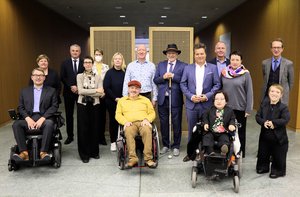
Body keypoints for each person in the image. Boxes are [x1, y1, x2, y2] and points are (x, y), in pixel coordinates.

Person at [12, 68, 58, 161]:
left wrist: (43, 118)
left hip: (45, 118)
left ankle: (43, 152)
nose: (38, 77)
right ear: (32, 77)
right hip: (29, 118)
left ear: (44, 78)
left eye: (41, 75)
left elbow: (54, 106)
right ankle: (24, 153)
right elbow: (20, 107)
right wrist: (28, 119)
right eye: (35, 75)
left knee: (49, 124)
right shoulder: (24, 91)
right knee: (16, 124)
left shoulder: (51, 91)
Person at [180, 43, 221, 142]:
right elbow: (182, 84)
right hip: (192, 104)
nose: (200, 56)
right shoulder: (187, 68)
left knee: (206, 129)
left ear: (205, 54)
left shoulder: (213, 68)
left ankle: (204, 152)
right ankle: (191, 152)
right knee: (192, 130)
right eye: (197, 54)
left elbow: (217, 85)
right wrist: (190, 96)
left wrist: (207, 96)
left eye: (202, 53)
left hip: (206, 104)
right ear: (194, 55)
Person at [153, 43, 187, 156]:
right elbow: (155, 80)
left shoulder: (183, 65)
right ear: (166, 54)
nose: (171, 54)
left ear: (177, 54)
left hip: (176, 98)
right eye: (169, 53)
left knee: (176, 123)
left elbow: (184, 79)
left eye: (173, 53)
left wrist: (173, 76)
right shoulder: (161, 65)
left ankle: (176, 145)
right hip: (163, 98)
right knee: (164, 123)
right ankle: (166, 145)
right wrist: (163, 77)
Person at [183, 91, 236, 161]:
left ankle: (223, 149)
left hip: (223, 132)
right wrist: (206, 123)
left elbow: (232, 119)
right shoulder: (210, 109)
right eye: (216, 99)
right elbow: (205, 117)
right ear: (213, 101)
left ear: (226, 101)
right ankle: (210, 151)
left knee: (225, 139)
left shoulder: (229, 111)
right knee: (207, 137)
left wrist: (231, 125)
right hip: (211, 131)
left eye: (222, 99)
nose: (219, 101)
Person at [116, 80, 157, 168]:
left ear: (139, 90)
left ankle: (148, 159)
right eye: (132, 88)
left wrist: (147, 119)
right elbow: (118, 115)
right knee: (128, 131)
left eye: (136, 88)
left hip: (143, 122)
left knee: (147, 130)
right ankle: (133, 158)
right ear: (128, 89)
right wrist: (125, 122)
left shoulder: (145, 100)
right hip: (130, 123)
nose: (134, 90)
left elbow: (152, 113)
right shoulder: (122, 101)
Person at [221, 50, 253, 158]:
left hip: (240, 108)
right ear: (230, 60)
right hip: (226, 108)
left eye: (237, 60)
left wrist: (248, 109)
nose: (234, 62)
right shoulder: (224, 73)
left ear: (241, 61)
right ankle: (228, 151)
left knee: (240, 131)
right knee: (225, 129)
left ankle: (240, 152)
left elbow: (249, 92)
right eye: (233, 59)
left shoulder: (245, 74)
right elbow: (220, 89)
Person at [256, 84, 290, 178]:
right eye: (272, 91)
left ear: (281, 95)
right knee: (263, 152)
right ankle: (263, 166)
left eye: (277, 92)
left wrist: (273, 123)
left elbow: (285, 119)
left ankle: (277, 170)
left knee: (278, 154)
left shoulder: (283, 107)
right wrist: (263, 122)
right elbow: (258, 116)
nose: (274, 94)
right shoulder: (264, 105)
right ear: (268, 93)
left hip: (278, 137)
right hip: (265, 136)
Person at [76, 56, 105, 163]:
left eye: (89, 62)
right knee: (83, 129)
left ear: (92, 64)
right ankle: (84, 154)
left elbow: (101, 93)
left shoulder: (98, 77)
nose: (87, 64)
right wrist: (96, 90)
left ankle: (94, 152)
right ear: (83, 64)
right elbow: (80, 91)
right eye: (86, 62)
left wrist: (94, 91)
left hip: (95, 104)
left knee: (94, 128)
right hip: (82, 105)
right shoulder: (79, 76)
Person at [60, 44, 84, 145]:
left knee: (82, 114)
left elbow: (86, 76)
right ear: (70, 51)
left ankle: (82, 135)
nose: (75, 52)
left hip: (81, 92)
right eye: (73, 50)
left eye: (77, 51)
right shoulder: (65, 63)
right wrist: (71, 86)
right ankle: (70, 136)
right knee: (69, 115)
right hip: (68, 92)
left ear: (80, 52)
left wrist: (79, 87)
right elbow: (62, 77)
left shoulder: (84, 62)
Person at [103, 52, 126, 152]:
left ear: (122, 61)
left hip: (124, 101)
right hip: (112, 101)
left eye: (119, 59)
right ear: (113, 61)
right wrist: (115, 98)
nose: (117, 60)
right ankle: (113, 142)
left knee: (123, 121)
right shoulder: (109, 73)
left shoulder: (125, 73)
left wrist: (123, 99)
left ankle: (121, 140)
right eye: (116, 59)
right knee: (113, 121)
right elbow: (106, 87)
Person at [261, 38, 294, 105]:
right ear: (271, 49)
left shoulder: (288, 64)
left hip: (281, 98)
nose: (276, 50)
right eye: (274, 47)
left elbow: (291, 82)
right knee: (266, 115)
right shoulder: (265, 63)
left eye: (278, 47)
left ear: (282, 49)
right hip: (267, 96)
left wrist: (284, 93)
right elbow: (265, 77)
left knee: (280, 115)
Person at [92, 49, 110, 145]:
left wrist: (104, 92)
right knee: (94, 117)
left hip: (103, 95)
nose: (98, 56)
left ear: (102, 56)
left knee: (102, 117)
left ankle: (101, 137)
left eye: (99, 54)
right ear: (94, 55)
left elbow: (107, 81)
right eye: (96, 54)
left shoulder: (106, 67)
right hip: (93, 95)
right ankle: (94, 137)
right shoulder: (90, 66)